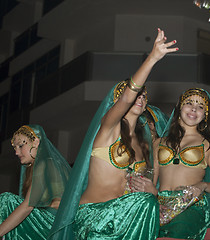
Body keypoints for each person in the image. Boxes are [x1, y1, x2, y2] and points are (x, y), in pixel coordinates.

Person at [48, 28, 177, 240]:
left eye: (144, 95)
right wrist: (153, 58)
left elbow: (147, 192)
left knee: (148, 202)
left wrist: (152, 190)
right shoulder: (109, 128)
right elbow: (127, 97)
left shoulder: (143, 143)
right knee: (145, 204)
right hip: (94, 216)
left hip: (123, 218)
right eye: (137, 93)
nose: (140, 97)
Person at [139, 88, 210, 240]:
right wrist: (151, 194)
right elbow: (153, 178)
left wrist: (203, 186)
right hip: (160, 203)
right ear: (179, 108)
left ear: (205, 115)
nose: (193, 108)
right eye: (189, 103)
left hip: (191, 205)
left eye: (200, 106)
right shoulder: (159, 142)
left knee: (175, 234)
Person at [0, 125, 71, 240]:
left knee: (7, 200)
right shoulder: (38, 166)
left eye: (21, 146)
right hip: (54, 223)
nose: (16, 152)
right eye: (15, 148)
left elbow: (28, 206)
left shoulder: (45, 164)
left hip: (54, 224)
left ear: (36, 142)